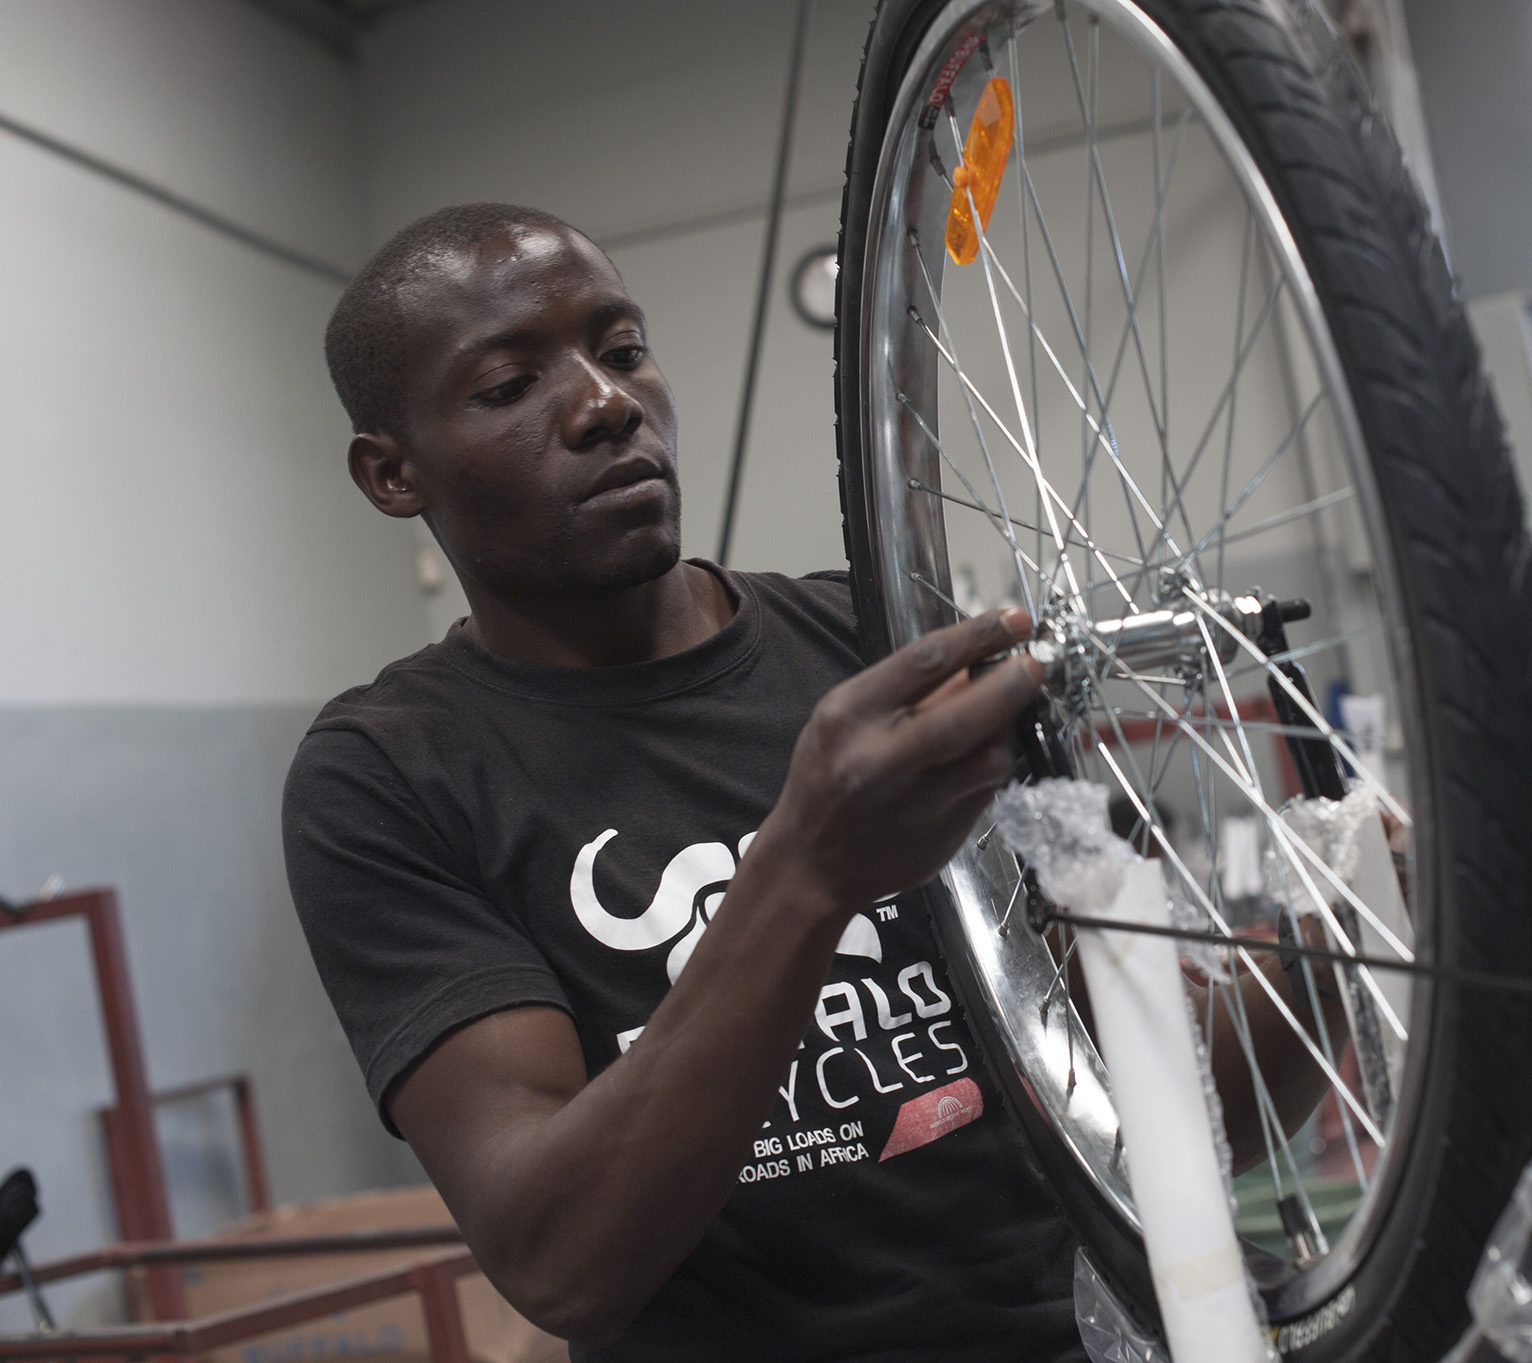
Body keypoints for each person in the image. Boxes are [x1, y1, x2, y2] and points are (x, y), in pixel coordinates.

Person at [283, 203, 1084, 1362]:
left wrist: (1381, 893)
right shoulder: (386, 774)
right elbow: (561, 1259)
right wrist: (804, 870)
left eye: (621, 352)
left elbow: (1137, 1060)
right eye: (509, 385)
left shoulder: (874, 635)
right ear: (391, 472)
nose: (607, 405)